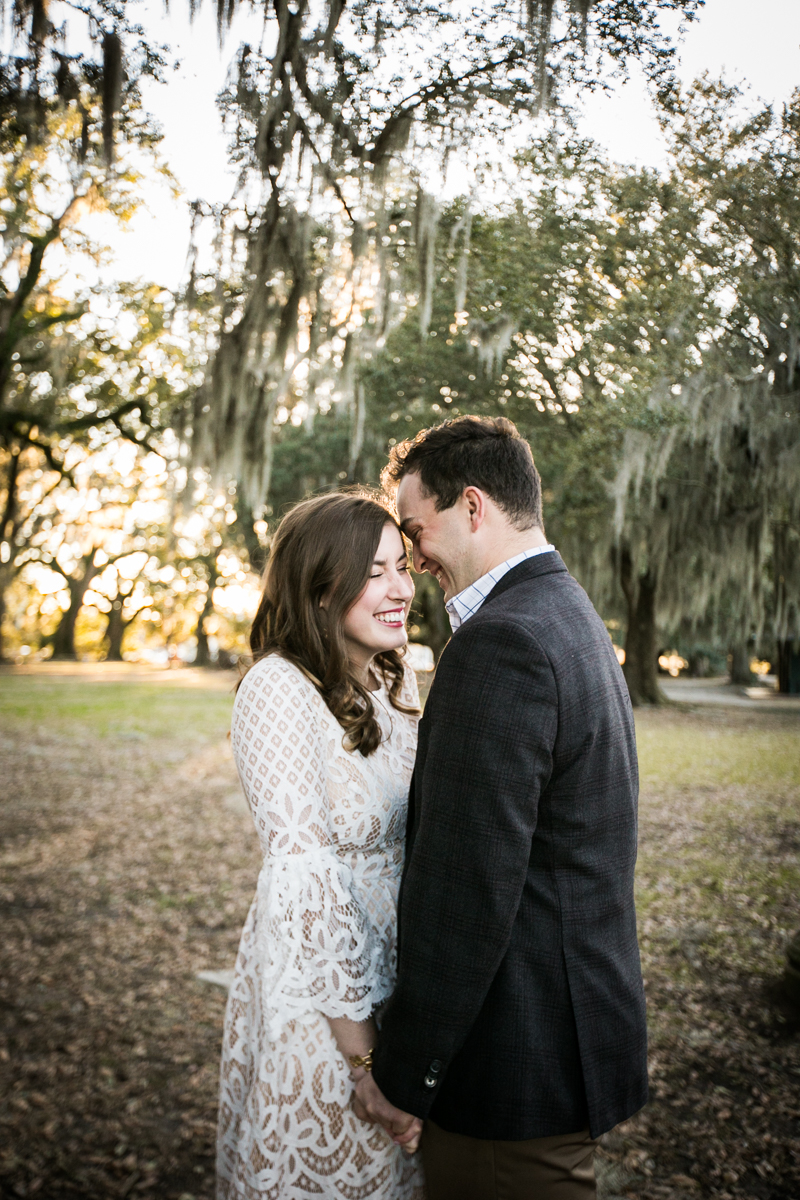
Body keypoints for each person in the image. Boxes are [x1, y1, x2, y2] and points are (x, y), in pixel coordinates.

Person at [354, 416, 648, 1200]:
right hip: (570, 1034)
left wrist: (405, 1071)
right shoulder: (570, 614)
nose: (414, 559)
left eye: (417, 530)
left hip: (514, 1067)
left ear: (473, 508)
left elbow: (467, 890)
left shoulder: (501, 643)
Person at [217, 492, 426, 1200]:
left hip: (400, 994)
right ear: (321, 584)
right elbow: (303, 882)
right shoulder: (278, 689)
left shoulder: (394, 681)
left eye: (403, 565)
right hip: (326, 1006)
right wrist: (364, 1063)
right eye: (376, 572)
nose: (402, 587)